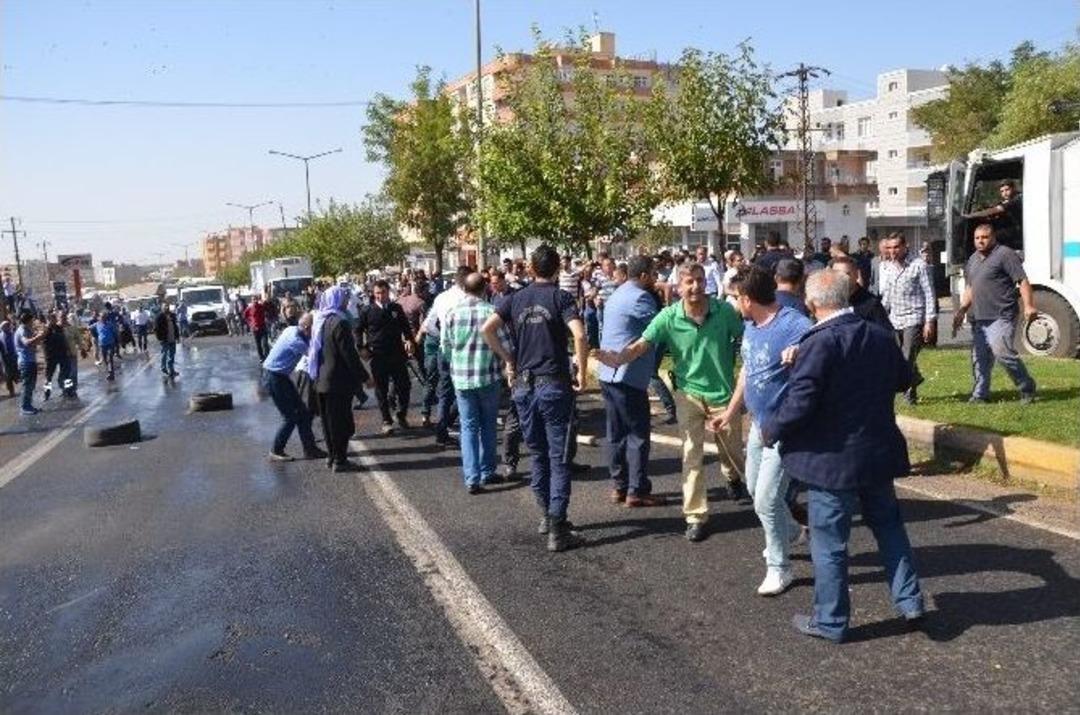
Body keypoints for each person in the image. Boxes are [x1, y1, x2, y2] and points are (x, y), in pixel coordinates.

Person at [761, 268, 925, 643]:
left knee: (830, 544)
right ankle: (910, 601)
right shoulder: (880, 337)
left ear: (812, 303)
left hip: (830, 462)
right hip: (876, 454)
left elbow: (801, 402)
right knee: (890, 529)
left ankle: (831, 621)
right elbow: (904, 379)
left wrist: (771, 429)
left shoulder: (818, 343)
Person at [597, 262, 748, 543]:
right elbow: (641, 344)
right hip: (688, 394)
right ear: (678, 286)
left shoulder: (724, 311)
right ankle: (695, 516)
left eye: (700, 281)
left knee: (733, 451)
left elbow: (746, 340)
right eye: (689, 282)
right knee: (692, 455)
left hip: (723, 396)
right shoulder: (668, 317)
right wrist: (617, 358)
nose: (695, 287)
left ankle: (732, 476)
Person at [710, 266, 812, 595]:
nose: (734, 304)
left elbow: (821, 351)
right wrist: (730, 412)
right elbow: (747, 373)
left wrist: (800, 353)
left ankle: (779, 567)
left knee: (767, 499)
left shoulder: (793, 325)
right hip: (757, 424)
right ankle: (791, 530)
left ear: (748, 298)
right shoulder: (750, 326)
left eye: (735, 298)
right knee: (756, 491)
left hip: (784, 427)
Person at [482, 244, 590, 553]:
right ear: (557, 270)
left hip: (525, 387)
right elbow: (580, 335)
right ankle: (557, 525)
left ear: (531, 269)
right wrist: (581, 371)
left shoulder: (515, 299)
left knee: (539, 454)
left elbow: (488, 329)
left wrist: (508, 358)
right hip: (553, 384)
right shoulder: (561, 297)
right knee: (558, 457)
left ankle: (546, 515)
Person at [597, 255, 666, 508]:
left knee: (615, 433)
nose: (657, 277)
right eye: (654, 273)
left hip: (608, 374)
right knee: (637, 434)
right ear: (645, 275)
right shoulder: (641, 297)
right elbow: (661, 326)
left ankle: (619, 485)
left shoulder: (618, 292)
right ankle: (636, 490)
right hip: (627, 374)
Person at [951, 223, 1038, 404]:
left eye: (984, 237)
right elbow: (970, 288)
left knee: (1002, 353)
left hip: (1001, 315)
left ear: (993, 237)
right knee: (980, 359)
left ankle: (1026, 386)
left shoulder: (1005, 254)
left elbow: (1022, 281)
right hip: (979, 318)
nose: (980, 241)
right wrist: (961, 311)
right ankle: (980, 395)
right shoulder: (973, 259)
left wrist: (1029, 306)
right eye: (977, 238)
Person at [442, 273, 513, 494]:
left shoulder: (453, 312)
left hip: (462, 377)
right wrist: (507, 362)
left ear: (464, 288)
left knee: (468, 426)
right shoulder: (491, 312)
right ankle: (487, 470)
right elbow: (506, 343)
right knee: (488, 425)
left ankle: (471, 477)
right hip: (487, 375)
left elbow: (446, 346)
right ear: (485, 289)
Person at [309, 286, 368, 472]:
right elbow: (348, 355)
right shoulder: (339, 323)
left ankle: (332, 456)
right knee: (340, 423)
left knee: (328, 423)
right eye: (343, 299)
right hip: (337, 382)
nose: (346, 302)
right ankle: (340, 460)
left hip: (320, 380)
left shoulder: (320, 320)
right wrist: (365, 377)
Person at [878, 232, 936, 405]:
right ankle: (915, 377)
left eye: (896, 247)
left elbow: (929, 294)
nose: (893, 251)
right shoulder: (887, 267)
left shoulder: (919, 265)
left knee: (906, 357)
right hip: (895, 318)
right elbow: (887, 295)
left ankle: (910, 394)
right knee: (895, 357)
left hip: (914, 318)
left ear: (905, 246)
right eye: (889, 248)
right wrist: (881, 316)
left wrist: (929, 321)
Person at [263, 312, 327, 462]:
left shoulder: (291, 329)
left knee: (303, 413)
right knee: (290, 417)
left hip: (280, 376)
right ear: (306, 327)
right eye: (314, 328)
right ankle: (276, 450)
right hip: (274, 377)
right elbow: (315, 356)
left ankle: (310, 449)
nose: (315, 331)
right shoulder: (296, 340)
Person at [356, 279, 415, 434]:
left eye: (383, 292)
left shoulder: (396, 308)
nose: (380, 296)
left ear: (388, 292)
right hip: (377, 355)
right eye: (377, 293)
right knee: (381, 389)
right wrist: (361, 347)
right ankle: (386, 420)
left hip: (397, 354)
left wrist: (409, 340)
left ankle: (401, 414)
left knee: (404, 386)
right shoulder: (367, 310)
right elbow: (358, 330)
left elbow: (405, 327)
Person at [424, 266, 470, 447]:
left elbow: (429, 325)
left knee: (445, 392)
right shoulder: (467, 298)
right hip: (463, 350)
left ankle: (442, 430)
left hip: (445, 349)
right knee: (466, 390)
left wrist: (442, 336)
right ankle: (453, 423)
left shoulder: (441, 297)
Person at [829, 256, 891, 329]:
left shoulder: (871, 304)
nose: (842, 278)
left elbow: (885, 334)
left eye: (847, 274)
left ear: (856, 275)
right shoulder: (828, 302)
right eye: (837, 274)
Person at [964, 179, 1023, 251]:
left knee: (988, 236)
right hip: (1007, 228)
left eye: (1007, 190)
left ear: (1013, 188)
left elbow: (995, 210)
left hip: (1015, 230)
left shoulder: (1016, 199)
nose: (1005, 193)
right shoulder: (1005, 201)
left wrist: (971, 216)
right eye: (1002, 191)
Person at [14, 311, 45, 415]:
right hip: (25, 362)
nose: (33, 322)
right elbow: (27, 342)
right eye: (32, 320)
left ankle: (29, 405)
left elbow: (35, 343)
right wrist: (38, 336)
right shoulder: (22, 330)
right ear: (28, 320)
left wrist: (39, 336)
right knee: (27, 385)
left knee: (31, 385)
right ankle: (25, 407)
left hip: (31, 360)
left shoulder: (27, 329)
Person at [41, 311, 69, 401]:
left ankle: (67, 391)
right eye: (52, 319)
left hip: (62, 355)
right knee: (48, 377)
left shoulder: (59, 328)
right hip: (50, 357)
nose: (55, 320)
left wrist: (67, 350)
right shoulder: (45, 329)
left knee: (66, 374)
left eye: (55, 319)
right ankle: (46, 394)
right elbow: (42, 342)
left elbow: (64, 340)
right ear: (48, 320)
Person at [154, 303, 180, 378]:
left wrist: (177, 337)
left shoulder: (172, 315)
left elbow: (176, 327)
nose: (167, 308)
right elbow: (156, 329)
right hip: (164, 339)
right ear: (162, 308)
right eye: (165, 306)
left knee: (172, 355)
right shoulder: (159, 317)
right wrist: (159, 338)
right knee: (164, 354)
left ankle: (171, 370)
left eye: (167, 306)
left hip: (172, 338)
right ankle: (163, 368)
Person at [61, 312, 81, 397]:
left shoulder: (72, 328)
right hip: (62, 355)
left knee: (73, 373)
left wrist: (81, 347)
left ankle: (73, 389)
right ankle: (67, 390)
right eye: (61, 317)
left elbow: (78, 339)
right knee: (65, 373)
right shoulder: (58, 329)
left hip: (72, 354)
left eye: (64, 317)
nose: (63, 319)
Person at [245, 296, 270, 361]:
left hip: (263, 326)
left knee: (265, 343)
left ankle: (267, 356)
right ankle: (261, 357)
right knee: (258, 344)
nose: (255, 300)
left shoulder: (261, 306)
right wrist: (250, 324)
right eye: (253, 299)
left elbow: (268, 308)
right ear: (251, 300)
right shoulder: (249, 308)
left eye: (256, 299)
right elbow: (245, 316)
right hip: (255, 328)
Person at [95, 311, 118, 381]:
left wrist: (117, 342)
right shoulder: (97, 325)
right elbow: (89, 328)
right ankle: (109, 372)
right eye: (102, 317)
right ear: (99, 318)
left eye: (104, 317)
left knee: (109, 358)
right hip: (102, 344)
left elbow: (115, 333)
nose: (103, 319)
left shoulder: (110, 324)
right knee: (105, 360)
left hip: (110, 343)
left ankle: (111, 373)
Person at [1, 319, 19, 397]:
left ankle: (17, 383)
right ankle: (11, 392)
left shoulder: (13, 334)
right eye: (5, 326)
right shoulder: (0, 336)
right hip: (5, 358)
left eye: (8, 325)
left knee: (16, 373)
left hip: (14, 356)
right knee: (8, 375)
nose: (7, 327)